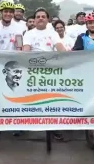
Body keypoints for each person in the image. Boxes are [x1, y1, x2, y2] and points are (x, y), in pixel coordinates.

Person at [23, 8, 66, 141]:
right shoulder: (29, 34)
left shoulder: (53, 34)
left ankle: (54, 128)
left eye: (43, 16)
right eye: (38, 17)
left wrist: (68, 57)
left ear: (47, 19)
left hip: (51, 69)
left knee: (53, 100)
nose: (40, 18)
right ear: (34, 20)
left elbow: (60, 48)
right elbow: (26, 51)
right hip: (34, 69)